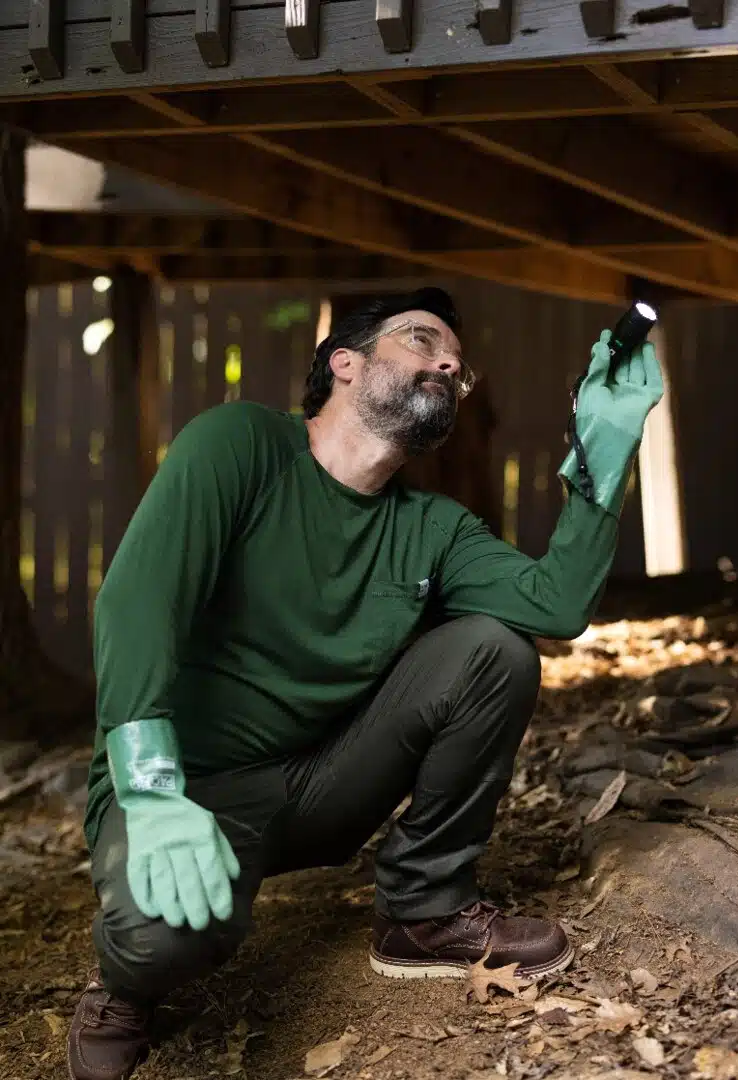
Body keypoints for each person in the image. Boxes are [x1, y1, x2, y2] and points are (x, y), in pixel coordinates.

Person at [67, 287, 663, 1080]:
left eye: (457, 362)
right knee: (164, 942)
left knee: (493, 648)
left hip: (324, 784)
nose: (447, 362)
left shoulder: (432, 526)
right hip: (185, 793)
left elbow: (553, 607)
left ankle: (424, 911)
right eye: (421, 340)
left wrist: (607, 438)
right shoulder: (240, 444)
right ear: (343, 363)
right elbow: (137, 598)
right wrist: (149, 785)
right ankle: (120, 988)